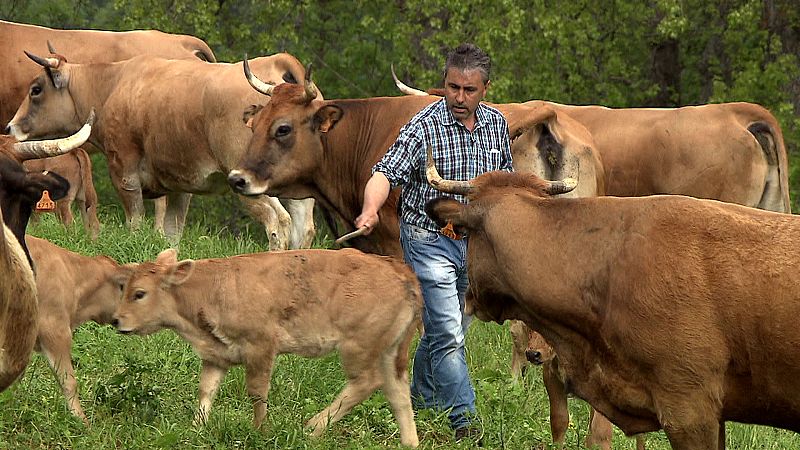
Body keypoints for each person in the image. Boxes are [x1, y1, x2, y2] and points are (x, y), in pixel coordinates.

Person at [355, 43, 513, 443]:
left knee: (449, 326)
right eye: (452, 87)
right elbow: (384, 171)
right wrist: (370, 210)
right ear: (443, 84)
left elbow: (505, 186)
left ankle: (419, 400)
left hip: (472, 244)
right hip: (427, 239)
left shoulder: (496, 125)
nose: (459, 98)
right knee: (447, 330)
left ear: (485, 89)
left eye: (469, 90)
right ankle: (466, 422)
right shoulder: (423, 125)